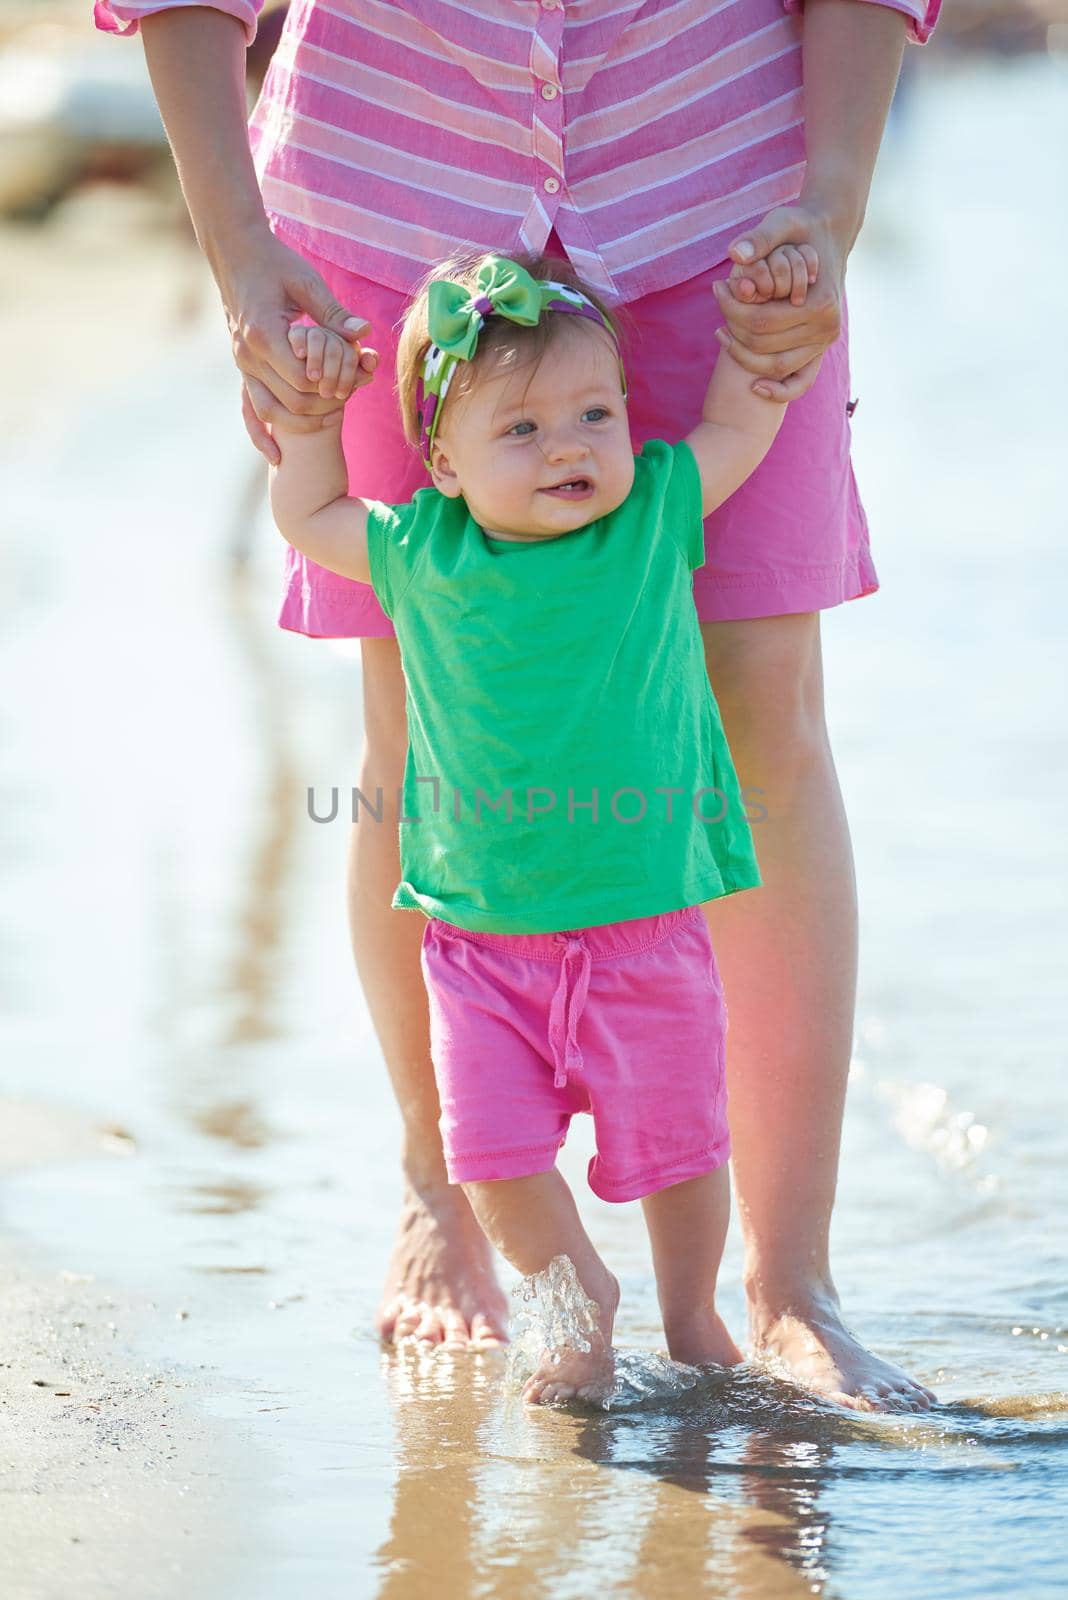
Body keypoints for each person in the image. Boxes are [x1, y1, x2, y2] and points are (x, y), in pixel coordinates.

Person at [98, 0, 940, 1411]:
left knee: (764, 720)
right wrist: (241, 250)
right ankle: (451, 1195)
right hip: (383, 199)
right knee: (414, 725)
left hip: (720, 201)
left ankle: (787, 1285)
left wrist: (831, 205)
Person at [270, 249, 814, 1403]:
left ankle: (692, 1312)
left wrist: (759, 346)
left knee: (681, 1154)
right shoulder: (421, 550)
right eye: (521, 430)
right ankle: (572, 1298)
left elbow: (736, 428)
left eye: (595, 414)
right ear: (443, 465)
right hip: (477, 945)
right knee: (494, 1161)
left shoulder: (651, 515)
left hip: (646, 932)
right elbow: (311, 508)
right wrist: (315, 417)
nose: (570, 445)